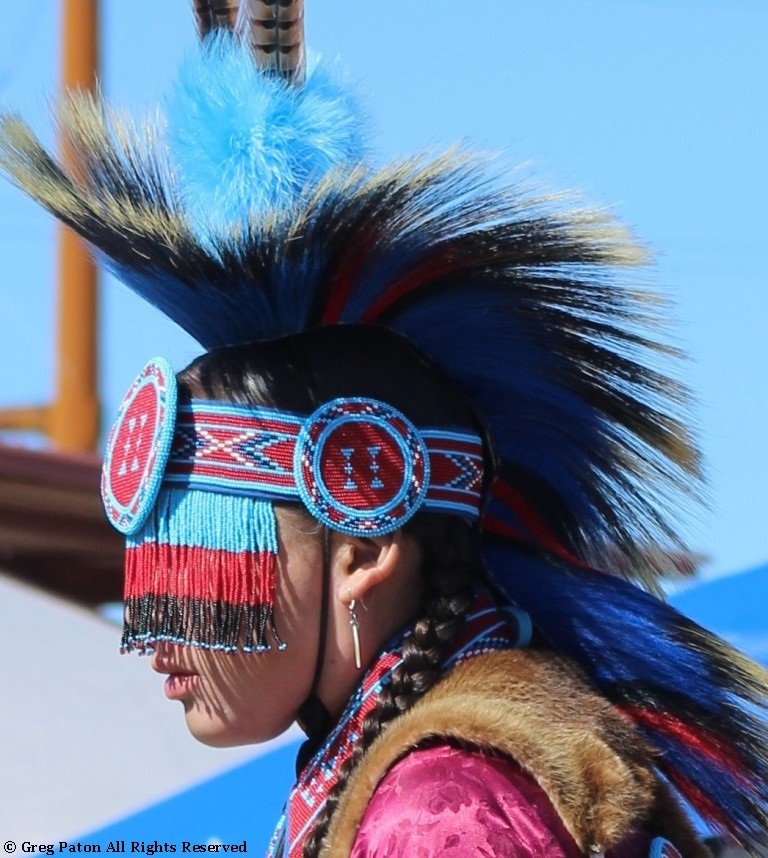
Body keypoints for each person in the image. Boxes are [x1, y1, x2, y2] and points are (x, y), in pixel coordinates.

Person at [1, 3, 766, 856]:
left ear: (362, 551)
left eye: (201, 566)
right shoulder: (423, 774)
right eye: (154, 582)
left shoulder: (440, 812)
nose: (157, 636)